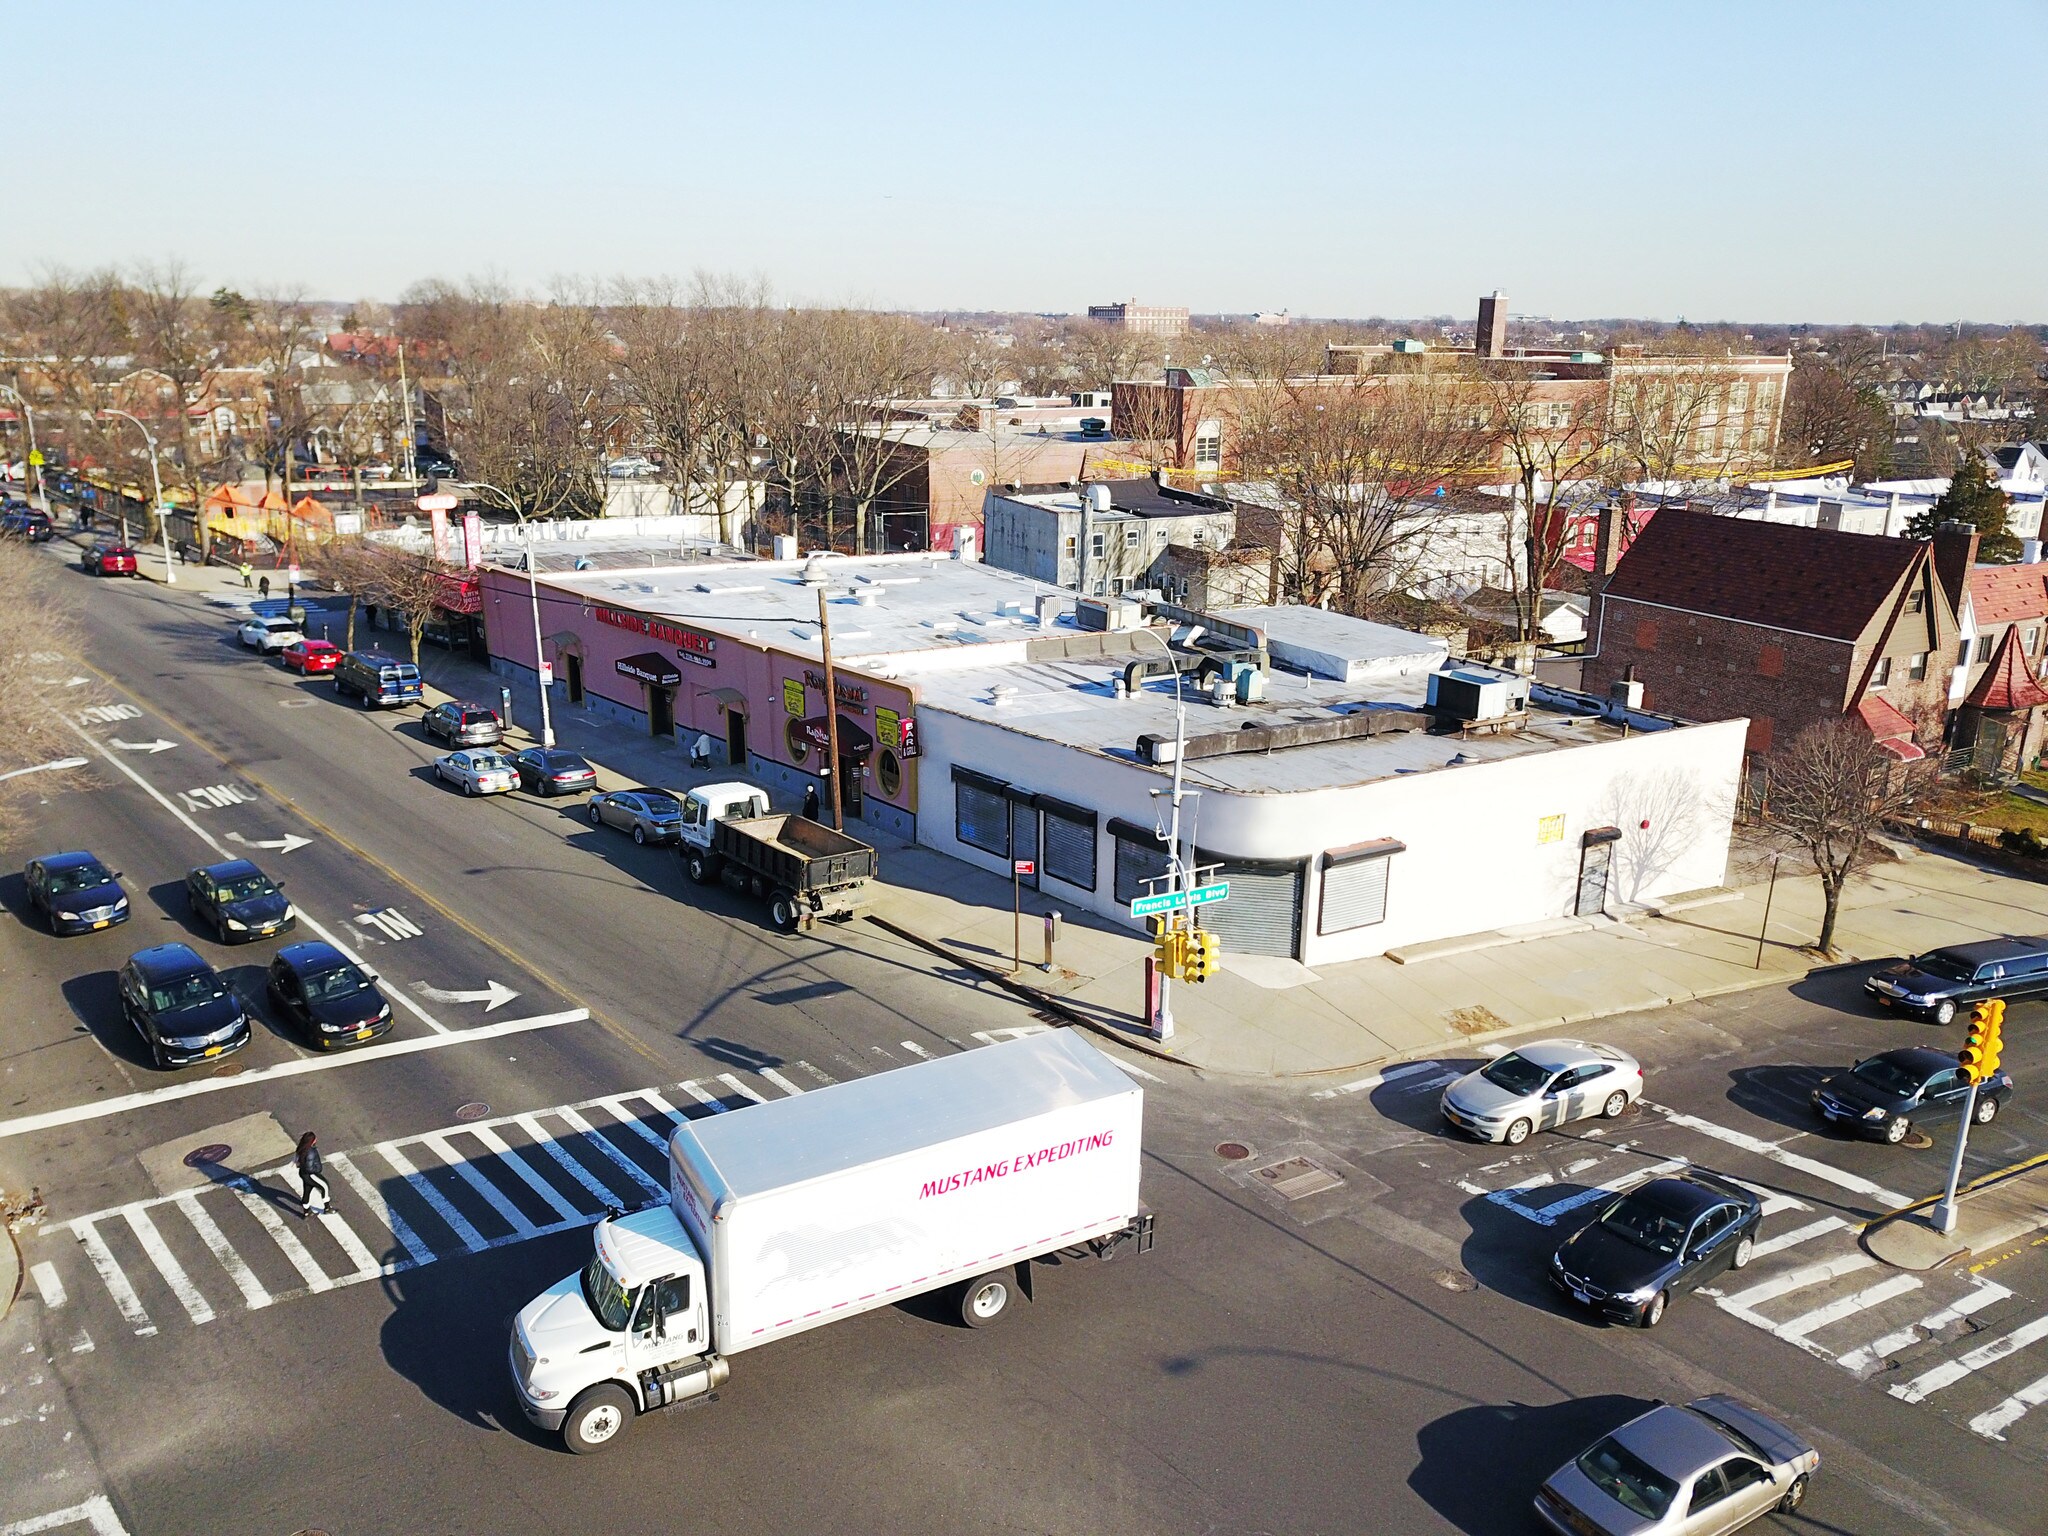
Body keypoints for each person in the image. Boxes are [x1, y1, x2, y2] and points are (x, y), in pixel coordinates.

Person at [294, 1130, 330, 1219]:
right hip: (311, 1175)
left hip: (304, 1174)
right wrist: (318, 1169)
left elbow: (297, 1162)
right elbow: (309, 1168)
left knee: (307, 1191)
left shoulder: (301, 1149)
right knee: (325, 1186)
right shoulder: (310, 1152)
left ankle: (306, 1212)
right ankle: (327, 1208)